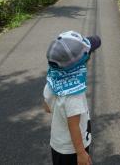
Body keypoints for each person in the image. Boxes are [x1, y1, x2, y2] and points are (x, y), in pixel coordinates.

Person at [43, 31, 101, 165]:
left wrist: (60, 108)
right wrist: (81, 153)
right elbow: (73, 125)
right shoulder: (75, 93)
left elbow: (46, 107)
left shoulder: (53, 81)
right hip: (73, 149)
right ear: (82, 64)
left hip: (58, 144)